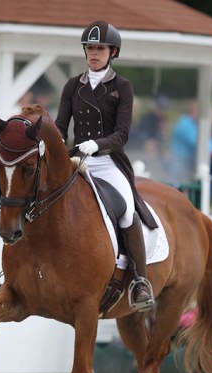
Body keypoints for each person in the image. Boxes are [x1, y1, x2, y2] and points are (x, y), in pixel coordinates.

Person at [55, 20, 157, 311]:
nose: (94, 53)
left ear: (113, 52)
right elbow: (61, 126)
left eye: (100, 48)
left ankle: (140, 280)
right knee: (41, 197)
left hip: (109, 162)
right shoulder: (73, 86)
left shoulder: (122, 87)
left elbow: (123, 133)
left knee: (125, 209)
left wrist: (97, 144)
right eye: (89, 48)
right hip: (77, 160)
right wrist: (52, 143)